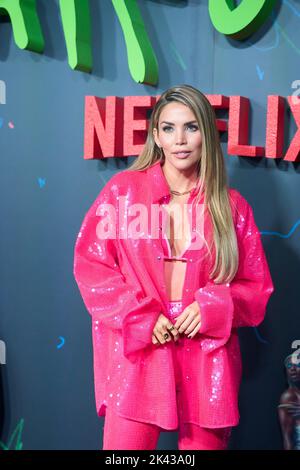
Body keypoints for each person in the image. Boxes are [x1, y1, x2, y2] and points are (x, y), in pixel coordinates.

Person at [73, 84, 274, 450]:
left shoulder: (232, 206)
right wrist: (139, 316)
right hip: (140, 357)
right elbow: (92, 267)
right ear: (156, 136)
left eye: (192, 127)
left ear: (207, 135)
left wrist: (213, 307)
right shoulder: (123, 192)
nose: (180, 139)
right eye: (169, 128)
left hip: (207, 359)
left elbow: (256, 288)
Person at [278, 353, 300, 450]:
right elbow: (287, 438)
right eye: (289, 366)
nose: (292, 369)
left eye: (298, 365)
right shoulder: (289, 397)